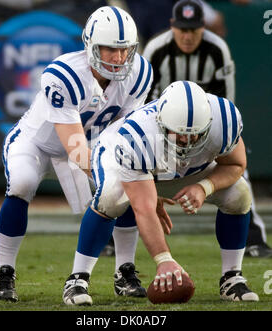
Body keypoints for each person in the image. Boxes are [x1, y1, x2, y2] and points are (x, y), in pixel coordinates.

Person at [0, 5, 153, 302]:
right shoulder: (64, 75)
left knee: (124, 184)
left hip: (90, 144)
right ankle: (4, 272)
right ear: (91, 46)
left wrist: (135, 178)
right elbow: (76, 150)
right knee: (22, 183)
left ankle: (124, 271)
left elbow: (126, 134)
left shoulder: (140, 73)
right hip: (37, 143)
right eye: (109, 49)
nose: (118, 58)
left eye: (124, 49)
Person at [62, 80, 259, 305]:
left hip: (178, 169)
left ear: (209, 124)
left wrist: (204, 187)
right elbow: (143, 208)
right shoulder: (137, 136)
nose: (185, 142)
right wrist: (164, 260)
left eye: (194, 135)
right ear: (161, 121)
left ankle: (232, 278)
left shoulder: (224, 120)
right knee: (112, 197)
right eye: (178, 134)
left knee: (239, 193)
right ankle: (77, 279)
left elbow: (235, 165)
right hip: (122, 158)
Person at [142, 0, 272, 258]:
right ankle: (114, 237)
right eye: (182, 30)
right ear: (172, 27)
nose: (187, 36)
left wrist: (216, 140)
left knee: (238, 175)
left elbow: (226, 107)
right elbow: (144, 104)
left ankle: (253, 236)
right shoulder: (156, 50)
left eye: (193, 29)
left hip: (205, 131)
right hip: (162, 133)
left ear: (203, 27)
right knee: (129, 170)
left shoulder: (216, 49)